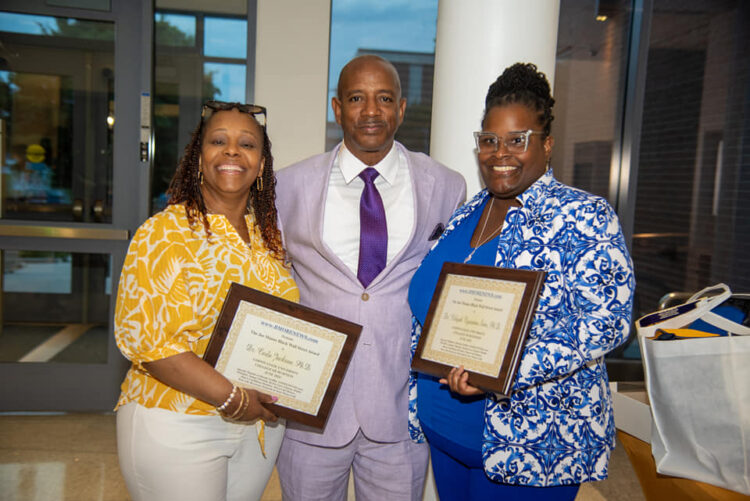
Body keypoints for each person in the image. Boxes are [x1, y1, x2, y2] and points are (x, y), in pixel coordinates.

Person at [407, 63, 635, 500]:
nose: (500, 153)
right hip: (445, 434)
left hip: (531, 447)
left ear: (547, 144)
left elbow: (606, 323)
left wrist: (500, 371)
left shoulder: (583, 216)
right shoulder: (465, 213)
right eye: (489, 141)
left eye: (518, 140)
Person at [274, 54, 466, 500]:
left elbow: (455, 285)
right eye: (357, 98)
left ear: (401, 109)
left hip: (400, 411)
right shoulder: (287, 186)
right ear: (337, 108)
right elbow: (269, 281)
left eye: (385, 98)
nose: (371, 111)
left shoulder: (445, 185)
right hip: (311, 411)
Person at [114, 101, 299, 501]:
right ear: (199, 158)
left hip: (257, 426)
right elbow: (151, 344)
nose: (233, 151)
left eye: (247, 144)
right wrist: (233, 399)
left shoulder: (268, 240)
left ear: (262, 165)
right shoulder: (163, 232)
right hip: (177, 421)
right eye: (219, 141)